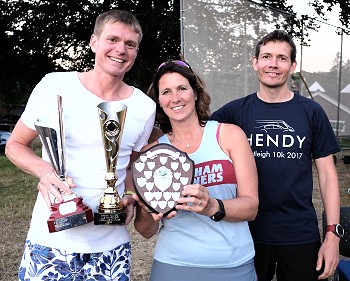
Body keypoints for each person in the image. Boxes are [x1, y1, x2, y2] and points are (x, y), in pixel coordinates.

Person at [5, 9, 156, 280]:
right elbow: (15, 144)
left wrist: (131, 195)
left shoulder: (144, 107)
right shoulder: (54, 85)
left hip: (111, 249)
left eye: (130, 44)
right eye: (112, 39)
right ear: (94, 42)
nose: (120, 50)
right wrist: (45, 171)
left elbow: (132, 166)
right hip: (50, 243)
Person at [211, 30, 341, 281]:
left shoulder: (311, 112)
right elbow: (194, 138)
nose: (273, 64)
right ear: (255, 62)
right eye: (266, 56)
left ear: (292, 66)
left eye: (282, 58)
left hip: (299, 233)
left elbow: (327, 175)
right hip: (246, 231)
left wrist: (332, 235)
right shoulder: (234, 112)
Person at [132, 59, 259, 281]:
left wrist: (212, 206)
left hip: (233, 264)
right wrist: (146, 209)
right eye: (166, 92)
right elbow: (145, 230)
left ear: (196, 93)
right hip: (174, 265)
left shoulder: (229, 135)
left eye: (182, 88)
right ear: (159, 101)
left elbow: (251, 206)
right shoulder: (152, 153)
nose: (176, 98)